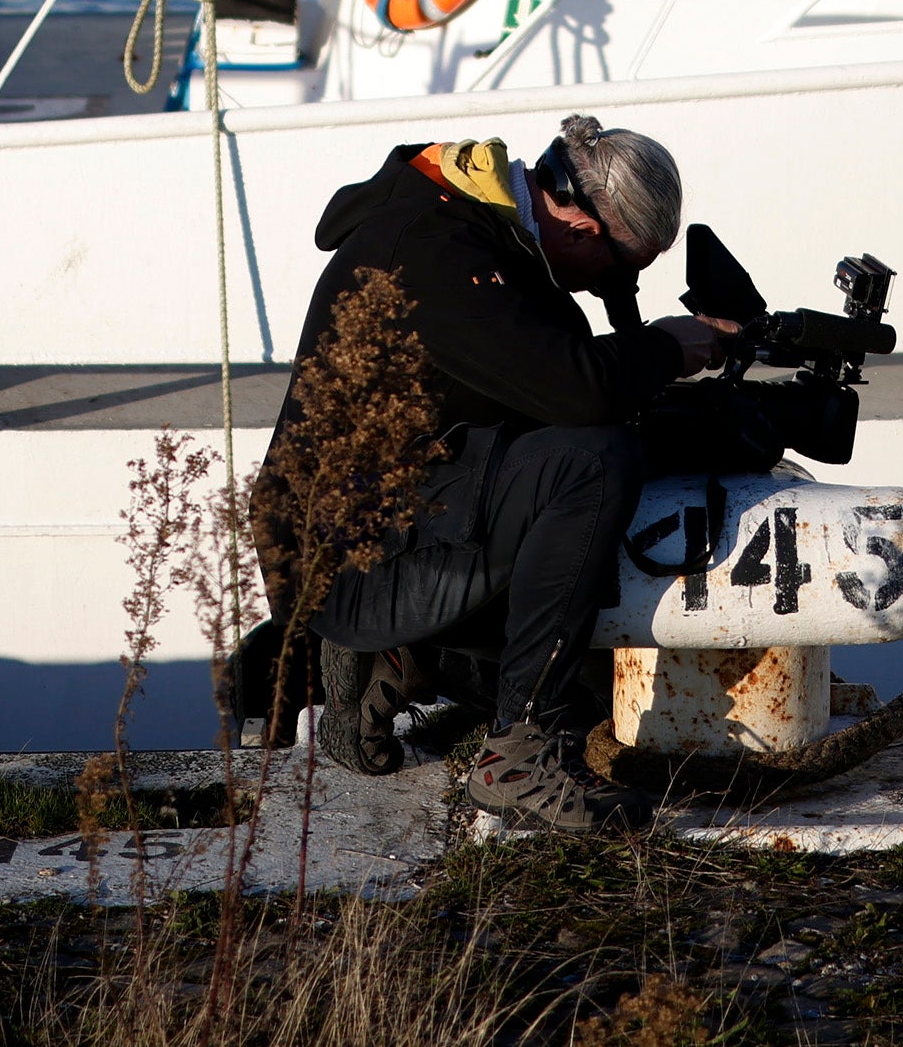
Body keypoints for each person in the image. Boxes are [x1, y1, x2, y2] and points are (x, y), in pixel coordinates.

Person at [242, 116, 724, 833]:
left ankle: (406, 660)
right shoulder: (438, 248)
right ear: (581, 229)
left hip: (399, 521)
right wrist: (667, 347)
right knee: (590, 465)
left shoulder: (491, 241)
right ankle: (518, 758)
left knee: (614, 700)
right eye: (625, 271)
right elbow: (578, 393)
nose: (613, 291)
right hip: (352, 559)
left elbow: (544, 391)